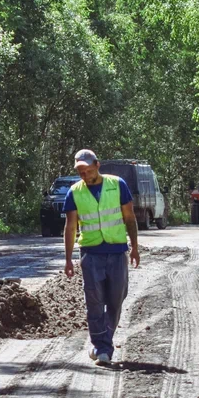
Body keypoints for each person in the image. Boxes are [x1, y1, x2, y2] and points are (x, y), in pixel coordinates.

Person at [63, 149, 140, 366]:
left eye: (87, 170)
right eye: (80, 172)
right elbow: (70, 228)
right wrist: (68, 259)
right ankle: (102, 346)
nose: (84, 175)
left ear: (97, 165)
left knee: (116, 299)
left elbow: (129, 218)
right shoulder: (74, 192)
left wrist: (134, 247)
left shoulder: (118, 185)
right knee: (94, 302)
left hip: (116, 251)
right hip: (91, 253)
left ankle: (102, 342)